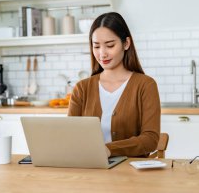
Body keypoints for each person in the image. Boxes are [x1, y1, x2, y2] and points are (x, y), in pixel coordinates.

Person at [68, 12, 161, 157]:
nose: (102, 54)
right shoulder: (82, 88)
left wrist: (109, 149)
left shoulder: (145, 85)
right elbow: (70, 134)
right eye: (96, 46)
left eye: (110, 45)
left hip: (130, 175)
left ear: (126, 43)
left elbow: (150, 140)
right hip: (89, 171)